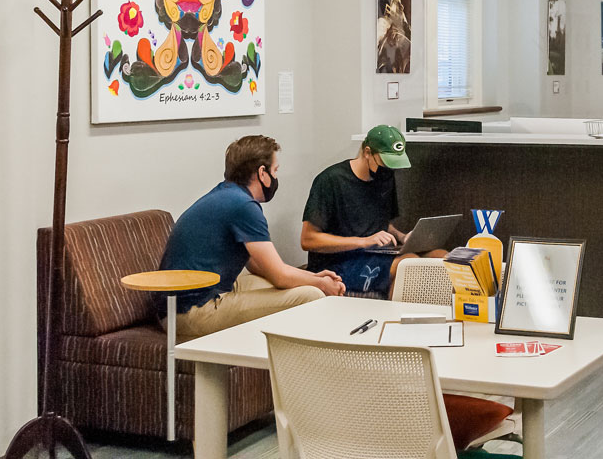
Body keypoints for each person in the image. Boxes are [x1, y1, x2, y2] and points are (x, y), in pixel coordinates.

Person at [158, 135, 346, 337]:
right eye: (275, 170)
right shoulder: (244, 206)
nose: (275, 178)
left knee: (275, 285)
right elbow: (280, 275)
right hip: (189, 313)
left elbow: (257, 265)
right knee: (311, 295)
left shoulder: (227, 194)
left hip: (183, 303)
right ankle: (298, 366)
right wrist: (320, 283)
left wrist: (313, 276)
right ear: (262, 173)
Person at [301, 125, 445, 297]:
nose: (389, 170)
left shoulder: (385, 178)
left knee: (442, 257)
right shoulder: (331, 181)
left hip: (376, 253)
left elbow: (381, 223)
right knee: (410, 265)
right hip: (340, 261)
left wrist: (404, 237)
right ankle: (395, 319)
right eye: (386, 163)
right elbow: (308, 240)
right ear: (367, 153)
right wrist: (363, 241)